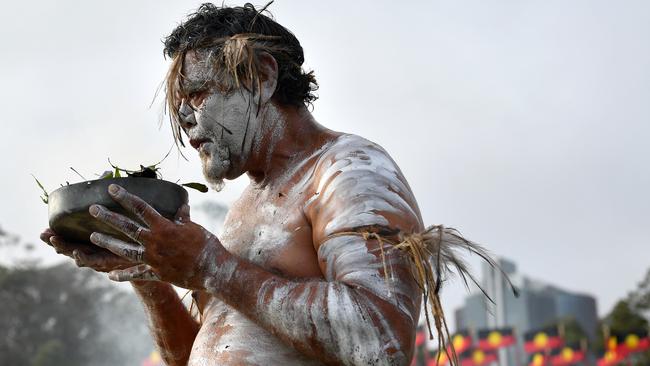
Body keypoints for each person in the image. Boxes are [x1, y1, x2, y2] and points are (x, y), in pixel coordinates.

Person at [41, 3, 425, 365]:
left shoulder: (348, 169)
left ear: (263, 77)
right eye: (180, 104)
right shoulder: (246, 207)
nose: (186, 118)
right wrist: (147, 270)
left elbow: (381, 342)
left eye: (198, 93)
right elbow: (195, 353)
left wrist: (211, 266)